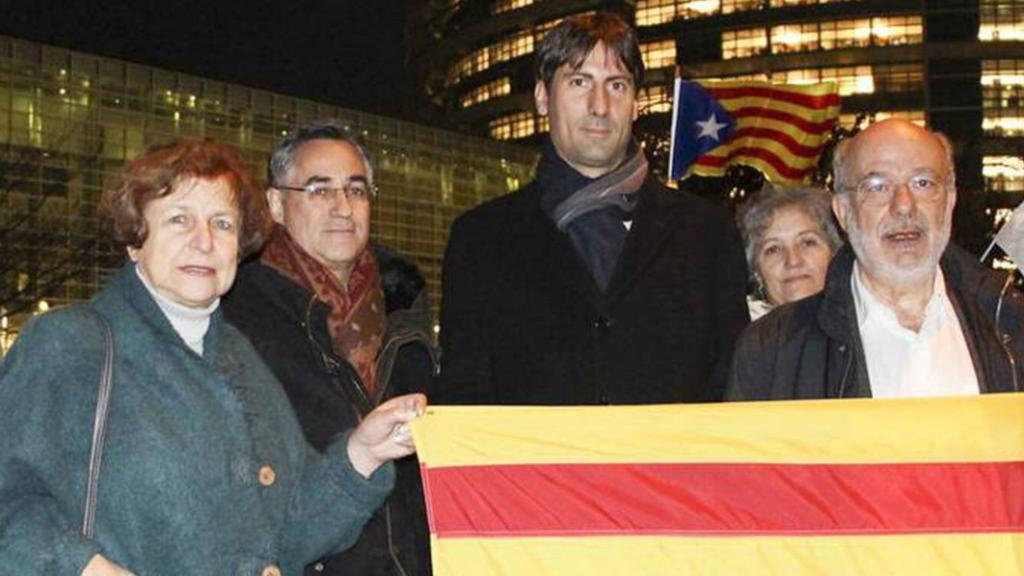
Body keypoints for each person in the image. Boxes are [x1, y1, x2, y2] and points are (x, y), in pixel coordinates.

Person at [0, 139, 426, 576]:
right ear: (134, 241)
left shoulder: (240, 358)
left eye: (222, 223)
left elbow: (290, 533)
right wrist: (84, 568)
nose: (204, 241)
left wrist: (363, 453)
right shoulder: (72, 344)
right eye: (179, 219)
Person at [437, 12, 749, 405]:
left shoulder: (708, 234)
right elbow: (464, 395)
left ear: (635, 104)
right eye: (579, 82)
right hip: (537, 467)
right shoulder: (480, 239)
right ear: (541, 98)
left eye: (616, 85)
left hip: (668, 466)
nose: (599, 106)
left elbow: (733, 387)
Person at [223, 122, 436, 576]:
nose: (343, 208)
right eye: (319, 191)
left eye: (356, 191)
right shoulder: (238, 311)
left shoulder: (406, 302)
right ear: (277, 204)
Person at [727, 119, 1024, 401]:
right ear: (844, 211)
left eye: (923, 183)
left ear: (950, 200)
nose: (904, 205)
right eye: (877, 187)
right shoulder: (773, 351)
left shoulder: (1010, 323)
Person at [737, 186, 842, 320]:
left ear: (834, 254)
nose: (793, 261)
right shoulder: (738, 336)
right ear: (757, 272)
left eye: (807, 242)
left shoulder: (866, 324)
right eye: (773, 249)